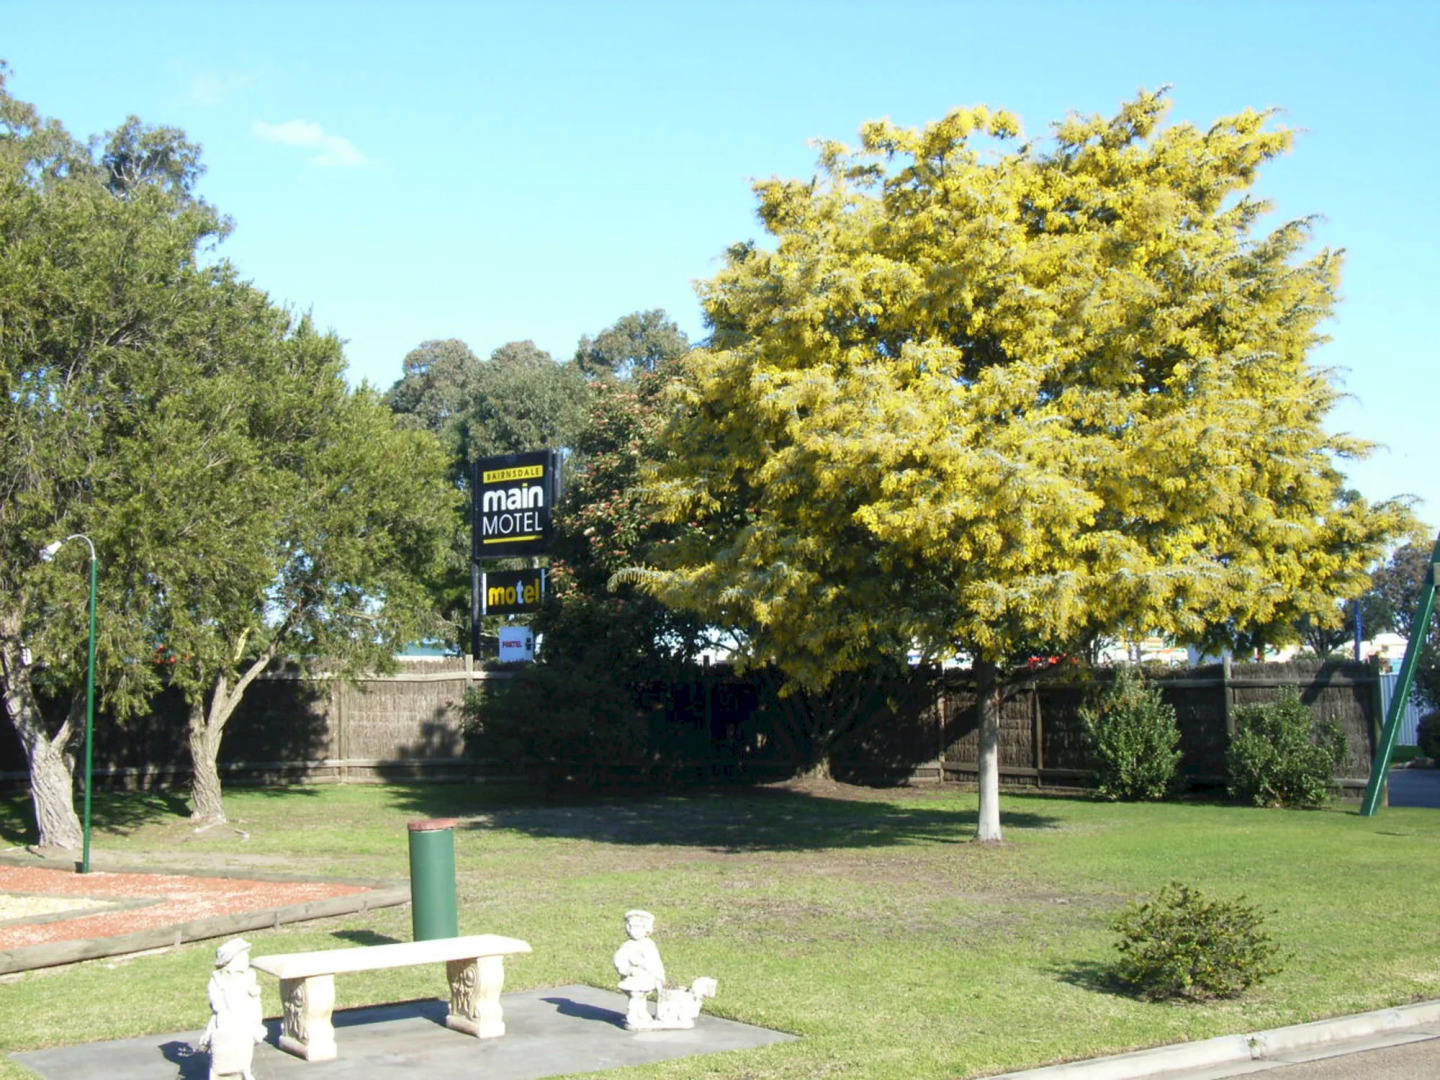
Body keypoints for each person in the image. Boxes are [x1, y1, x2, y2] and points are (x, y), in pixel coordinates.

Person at [197, 937, 266, 1080]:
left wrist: (254, 995)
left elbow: (253, 1001)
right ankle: (221, 1072)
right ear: (231, 960)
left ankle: (244, 1069)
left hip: (246, 1016)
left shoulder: (249, 976)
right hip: (226, 1017)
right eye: (243, 956)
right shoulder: (218, 979)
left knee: (245, 1045)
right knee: (224, 1044)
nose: (246, 960)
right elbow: (217, 1003)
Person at [613, 909, 665, 1029]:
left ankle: (641, 1013)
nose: (635, 932)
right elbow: (619, 958)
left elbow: (655, 961)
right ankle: (632, 1016)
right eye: (632, 928)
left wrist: (659, 975)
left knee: (642, 995)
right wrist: (625, 969)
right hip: (632, 977)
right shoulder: (628, 946)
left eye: (639, 929)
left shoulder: (649, 945)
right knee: (635, 996)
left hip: (646, 977)